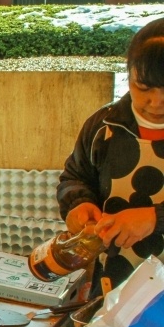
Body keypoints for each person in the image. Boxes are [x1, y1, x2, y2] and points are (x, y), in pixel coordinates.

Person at [57, 16, 164, 298]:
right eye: (143, 87)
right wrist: (78, 205)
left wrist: (155, 218)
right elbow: (75, 177)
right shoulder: (103, 126)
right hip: (115, 285)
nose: (156, 102)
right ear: (128, 74)